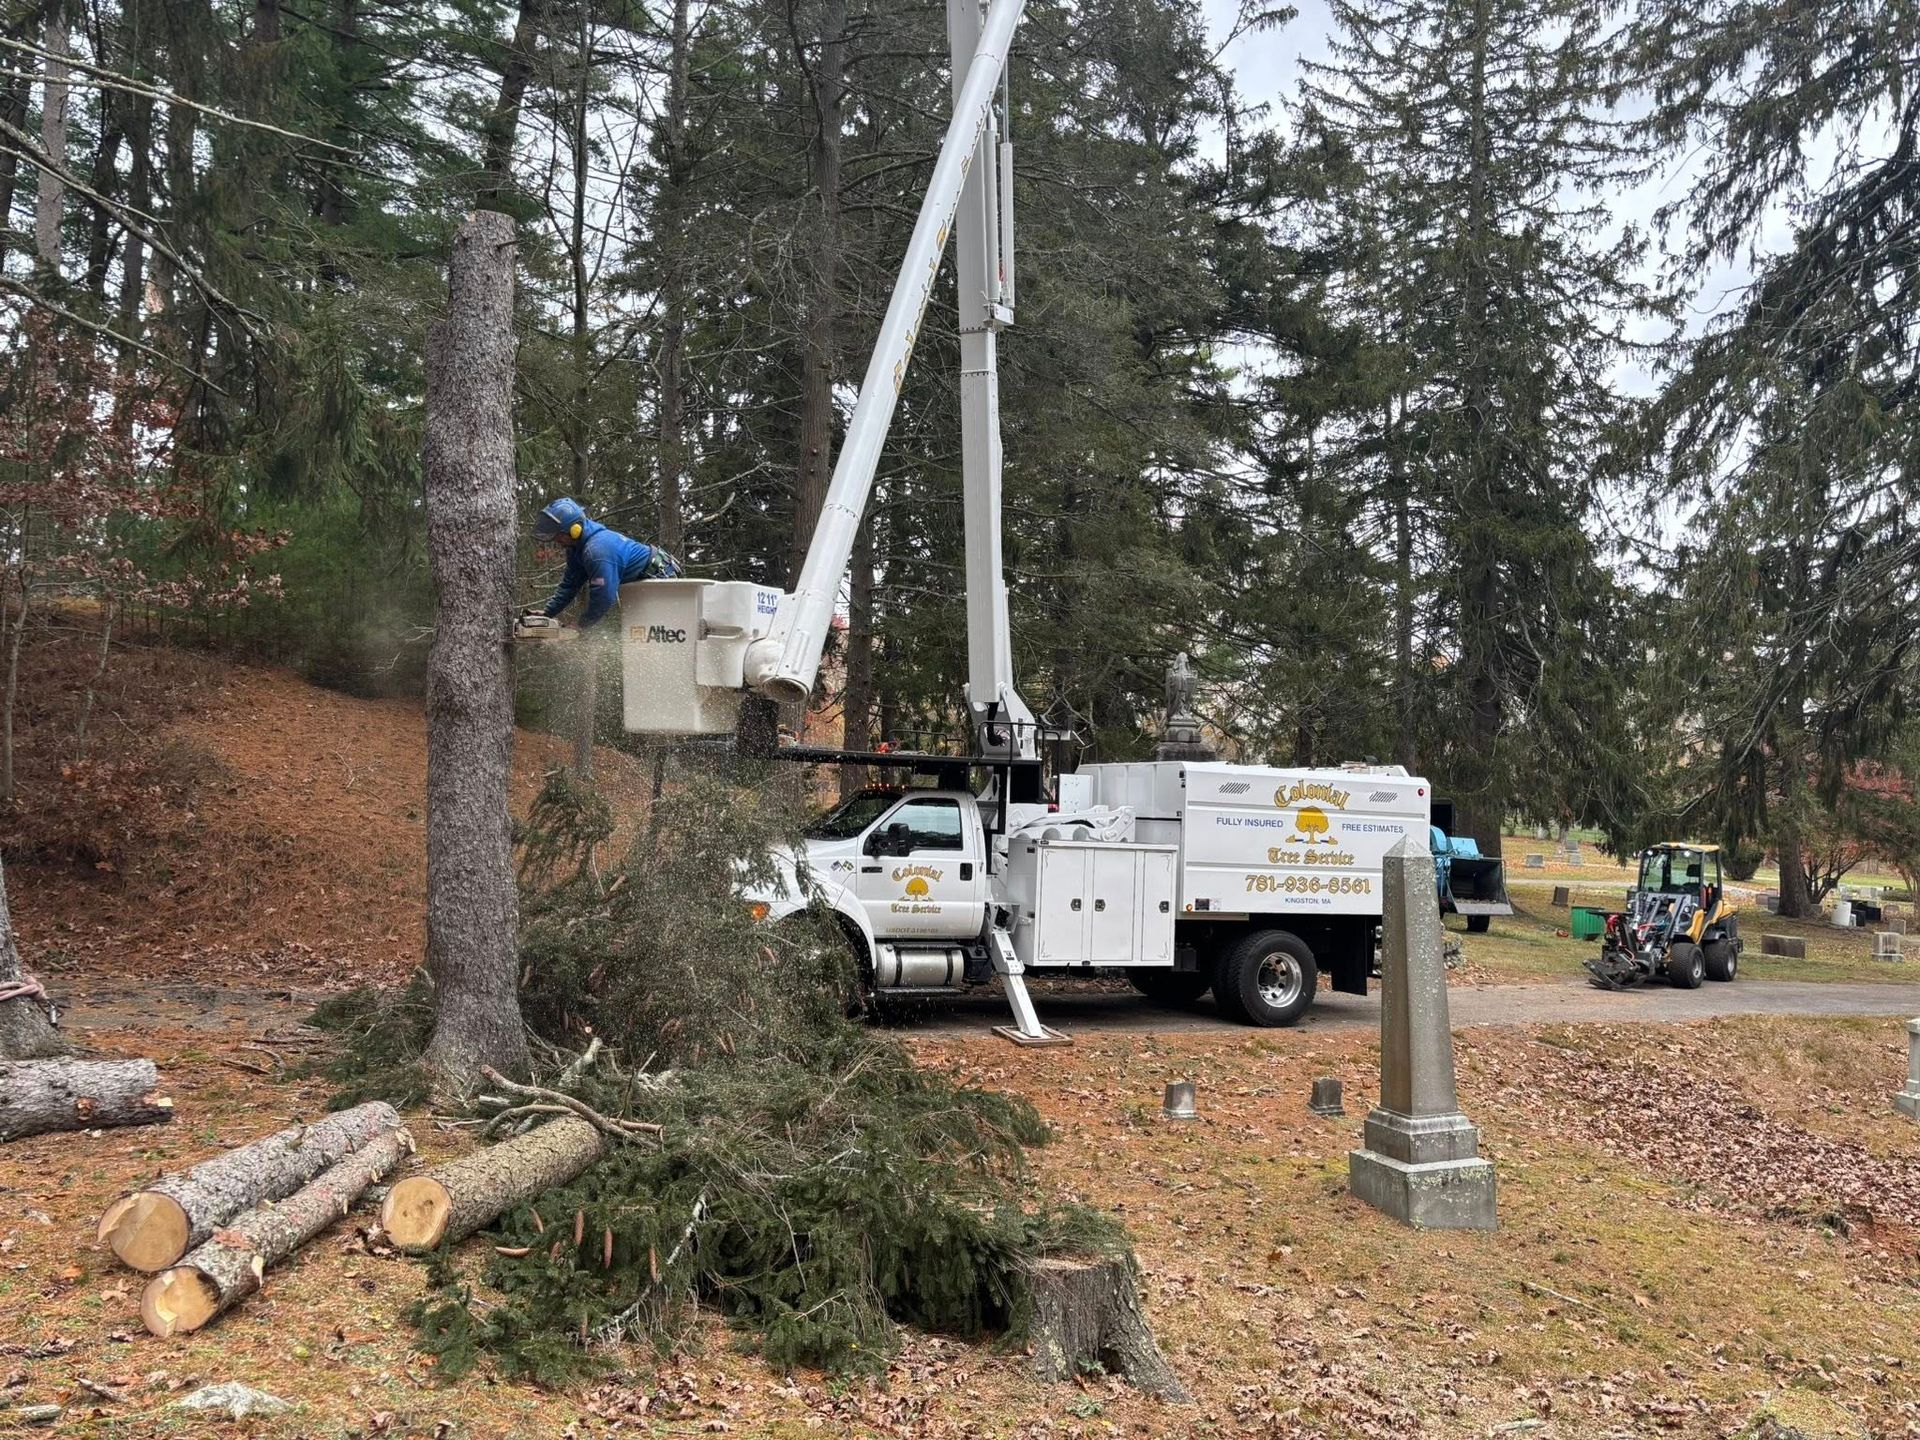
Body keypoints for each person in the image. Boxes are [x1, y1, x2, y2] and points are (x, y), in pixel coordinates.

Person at [532, 497, 681, 629]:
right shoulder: (575, 548)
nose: (557, 541)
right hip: (643, 582)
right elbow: (570, 584)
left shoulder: (596, 551)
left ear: (575, 529)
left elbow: (603, 596)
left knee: (657, 634)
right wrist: (548, 612)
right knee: (639, 633)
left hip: (660, 577)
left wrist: (582, 624)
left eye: (559, 536)